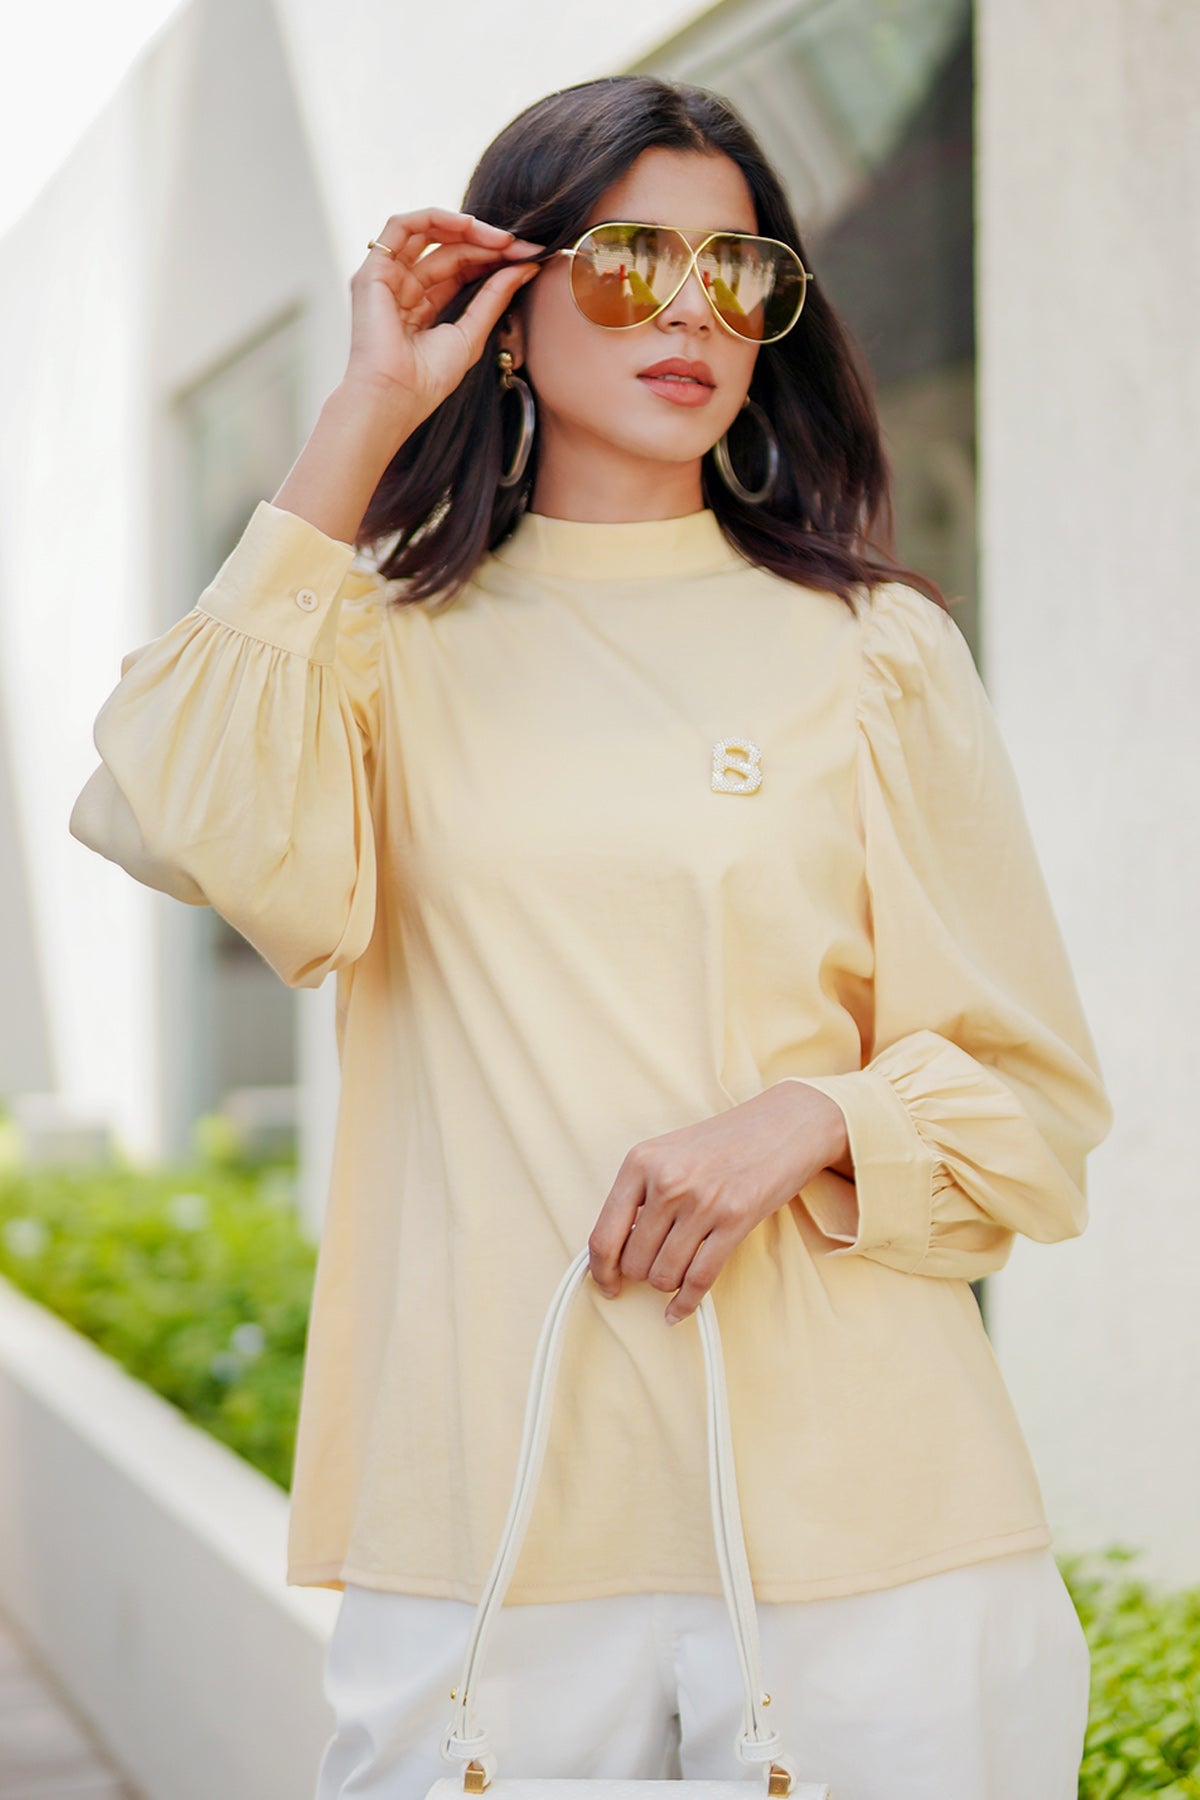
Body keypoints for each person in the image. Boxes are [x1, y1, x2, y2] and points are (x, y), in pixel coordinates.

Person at [68, 74, 1113, 1800]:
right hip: (490, 1512)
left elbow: (1034, 1105)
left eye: (736, 271)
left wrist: (813, 1117)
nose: (690, 310)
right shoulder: (372, 652)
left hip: (872, 1522)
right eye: (630, 264)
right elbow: (165, 806)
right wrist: (362, 414)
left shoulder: (875, 652)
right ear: (507, 298)